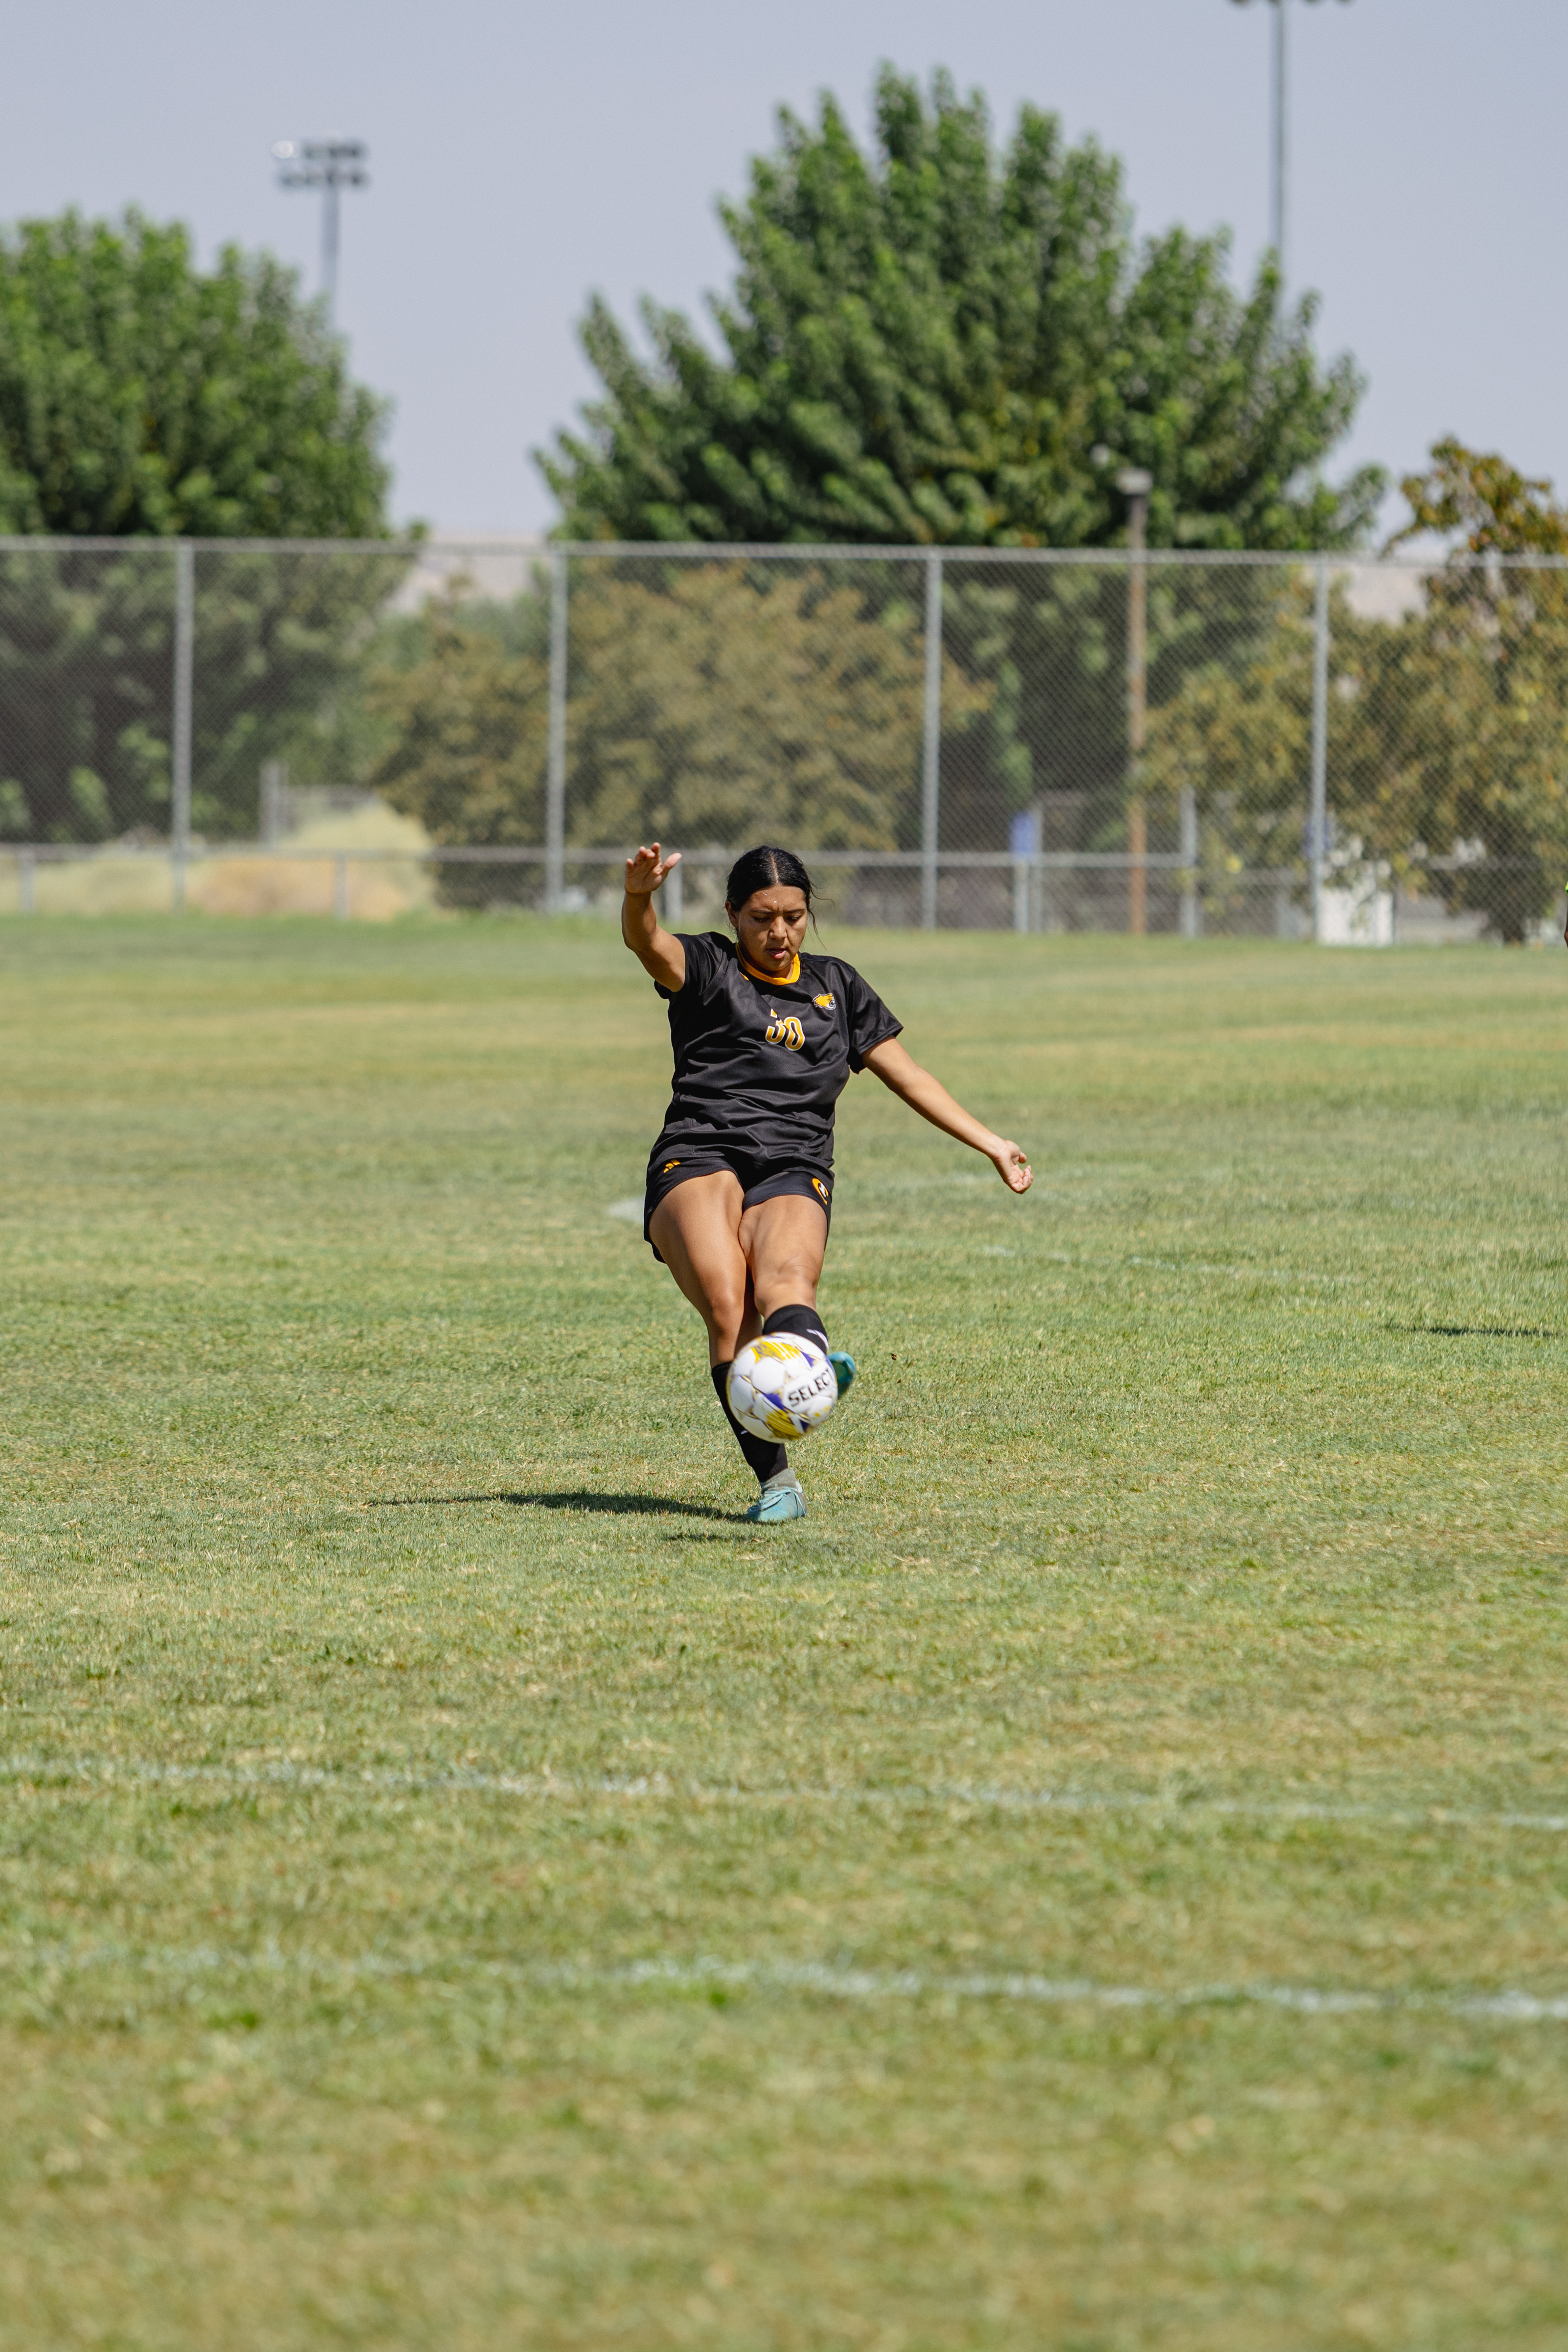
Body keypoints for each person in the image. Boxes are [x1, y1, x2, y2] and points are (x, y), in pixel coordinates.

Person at [622, 841, 1033, 1523]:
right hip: (697, 1154)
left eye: (793, 916)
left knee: (784, 1285)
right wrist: (639, 897)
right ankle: (777, 1479)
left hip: (792, 1163)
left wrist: (991, 1142)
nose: (778, 933)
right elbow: (648, 942)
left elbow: (910, 1075)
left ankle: (809, 1366)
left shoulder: (836, 987)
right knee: (729, 1305)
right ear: (732, 914)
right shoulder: (707, 966)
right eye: (761, 917)